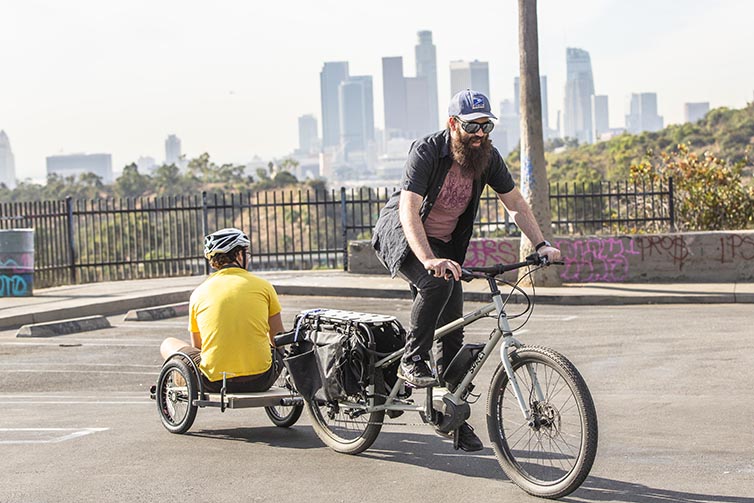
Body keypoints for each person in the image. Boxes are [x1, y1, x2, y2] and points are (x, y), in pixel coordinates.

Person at [371, 89, 561, 451]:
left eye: (486, 126)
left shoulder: (486, 159)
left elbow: (515, 203)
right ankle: (411, 361)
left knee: (453, 333)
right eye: (472, 126)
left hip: (445, 248)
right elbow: (409, 210)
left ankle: (451, 419)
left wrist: (541, 245)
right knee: (436, 285)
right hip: (405, 234)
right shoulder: (427, 151)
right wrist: (427, 259)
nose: (480, 134)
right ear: (453, 124)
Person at [160, 227, 285, 393]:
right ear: (239, 255)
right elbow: (277, 338)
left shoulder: (198, 293)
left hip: (215, 383)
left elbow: (198, 347)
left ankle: (180, 378)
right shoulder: (263, 286)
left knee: (167, 344)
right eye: (246, 253)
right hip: (262, 379)